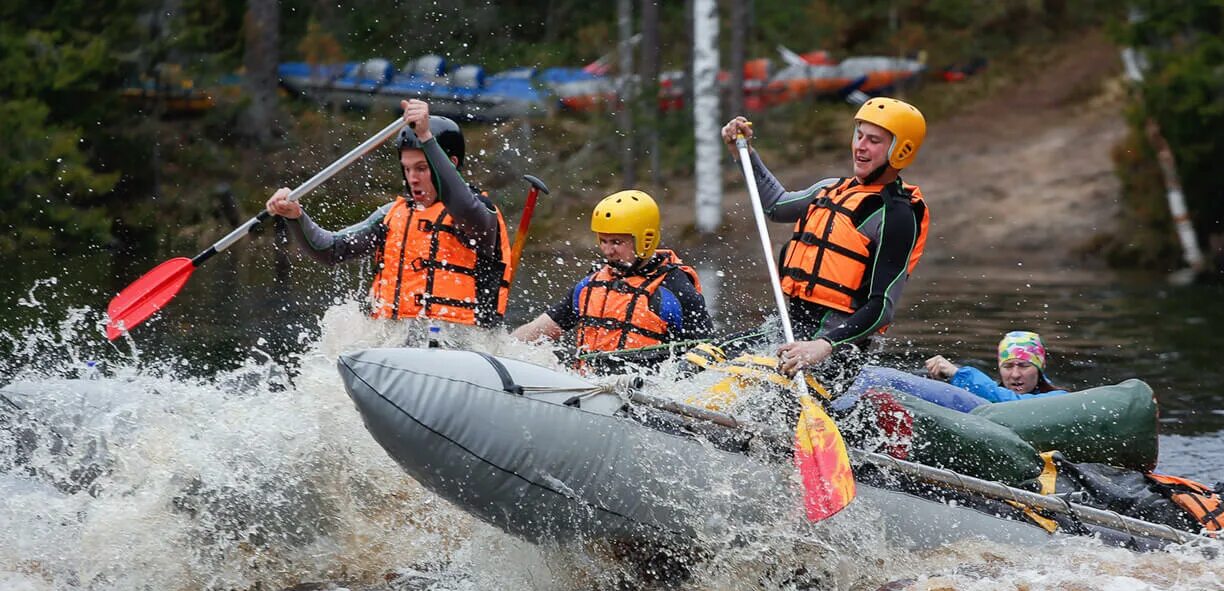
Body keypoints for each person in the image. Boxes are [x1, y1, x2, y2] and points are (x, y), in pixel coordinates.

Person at [719, 97, 930, 382]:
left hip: (835, 351)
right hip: (788, 329)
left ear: (901, 150)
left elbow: (882, 307)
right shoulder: (829, 189)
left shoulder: (897, 216)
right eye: (859, 136)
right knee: (706, 357)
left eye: (874, 141)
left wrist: (824, 345)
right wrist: (742, 152)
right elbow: (775, 206)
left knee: (740, 384)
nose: (860, 146)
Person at [265, 99, 512, 338]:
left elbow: (461, 202)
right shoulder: (390, 215)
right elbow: (330, 249)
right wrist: (295, 216)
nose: (412, 178)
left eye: (422, 168)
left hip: (465, 343)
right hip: (398, 340)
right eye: (407, 168)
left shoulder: (480, 214)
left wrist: (426, 138)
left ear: (451, 163)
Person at [511, 189, 713, 365]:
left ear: (644, 239)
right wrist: (502, 348)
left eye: (616, 242)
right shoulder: (592, 283)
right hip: (586, 390)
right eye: (603, 241)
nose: (608, 251)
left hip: (641, 397)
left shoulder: (675, 288)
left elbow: (705, 353)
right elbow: (542, 329)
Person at [925, 330, 1068, 402]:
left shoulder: (1059, 398)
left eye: (1024, 366)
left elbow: (1015, 404)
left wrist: (959, 374)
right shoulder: (988, 391)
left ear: (1039, 369)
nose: (1015, 374)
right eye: (1008, 366)